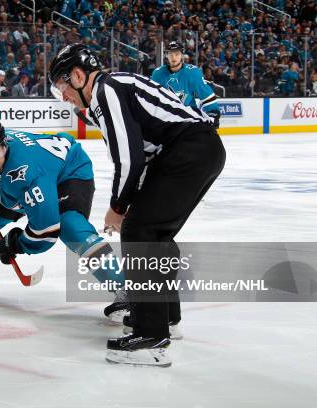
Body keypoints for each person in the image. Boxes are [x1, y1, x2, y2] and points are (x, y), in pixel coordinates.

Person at [49, 43, 226, 367]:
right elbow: (140, 157)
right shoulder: (114, 89)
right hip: (198, 151)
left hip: (189, 151)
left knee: (140, 231)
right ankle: (166, 318)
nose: (64, 97)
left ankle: (151, 335)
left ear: (77, 76)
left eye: (62, 87)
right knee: (155, 234)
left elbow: (128, 159)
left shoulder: (107, 90)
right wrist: (130, 202)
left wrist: (118, 207)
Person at [0, 119, 121, 296]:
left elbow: (46, 232)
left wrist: (16, 243)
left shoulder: (29, 176)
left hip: (68, 172)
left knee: (71, 227)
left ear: (5, 146)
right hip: (26, 176)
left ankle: (124, 289)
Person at [151, 41, 221, 127]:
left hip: (188, 119)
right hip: (166, 120)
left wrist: (213, 112)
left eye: (177, 54)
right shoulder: (157, 74)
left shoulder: (192, 72)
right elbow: (152, 98)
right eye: (170, 54)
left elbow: (205, 93)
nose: (173, 57)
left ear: (182, 55)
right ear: (166, 55)